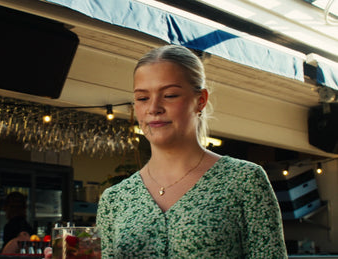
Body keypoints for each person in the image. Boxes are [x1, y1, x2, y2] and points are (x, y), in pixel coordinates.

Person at [96, 45, 288, 258]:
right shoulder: (114, 199)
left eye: (169, 95)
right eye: (142, 98)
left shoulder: (244, 181)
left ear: (201, 100)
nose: (153, 108)